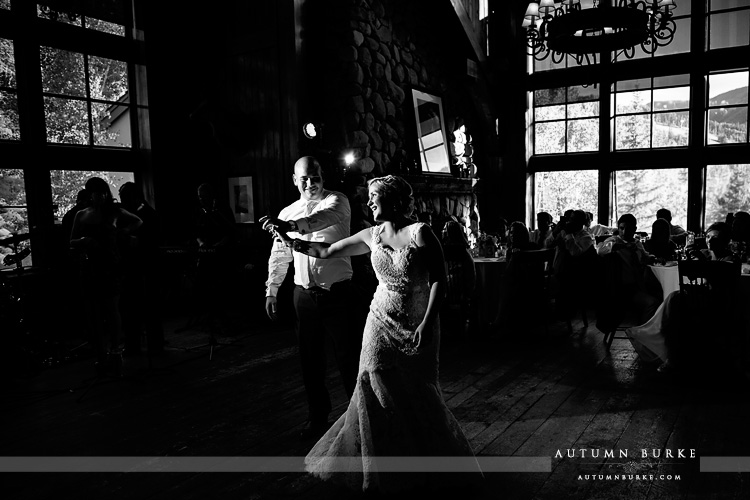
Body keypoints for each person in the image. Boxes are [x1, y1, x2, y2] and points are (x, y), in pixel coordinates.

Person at [273, 175, 481, 494]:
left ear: (394, 200)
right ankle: (379, 464)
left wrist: (426, 322)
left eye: (374, 196)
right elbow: (327, 250)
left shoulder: (421, 233)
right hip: (380, 319)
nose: (369, 202)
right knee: (371, 380)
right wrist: (290, 238)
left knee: (417, 388)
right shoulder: (372, 234)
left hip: (416, 318)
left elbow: (439, 278)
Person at [261, 156, 364, 441]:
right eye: (303, 178)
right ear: (295, 180)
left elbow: (320, 220)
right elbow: (279, 254)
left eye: (314, 176)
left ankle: (360, 419)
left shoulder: (337, 201)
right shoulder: (287, 211)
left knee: (348, 360)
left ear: (323, 176)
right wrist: (272, 289)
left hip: (339, 294)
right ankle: (317, 417)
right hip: (303, 296)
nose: (310, 183)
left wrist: (289, 226)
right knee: (310, 362)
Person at [70, 177, 142, 376]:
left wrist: (124, 232)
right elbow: (72, 241)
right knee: (94, 313)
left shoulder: (115, 212)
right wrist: (84, 241)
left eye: (102, 192)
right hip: (91, 266)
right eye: (95, 192)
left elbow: (138, 220)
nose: (99, 196)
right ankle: (101, 353)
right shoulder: (81, 215)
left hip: (111, 265)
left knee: (112, 309)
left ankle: (116, 350)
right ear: (90, 195)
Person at [118, 182, 164, 356]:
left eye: (124, 198)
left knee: (149, 308)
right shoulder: (130, 214)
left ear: (133, 197)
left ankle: (153, 344)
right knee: (131, 309)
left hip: (147, 266)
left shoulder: (148, 215)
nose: (122, 201)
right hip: (131, 267)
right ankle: (134, 345)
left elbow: (152, 241)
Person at [596, 213, 661, 331]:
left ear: (635, 229)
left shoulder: (637, 243)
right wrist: (618, 246)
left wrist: (654, 258)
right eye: (621, 228)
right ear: (618, 228)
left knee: (661, 296)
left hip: (638, 285)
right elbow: (600, 251)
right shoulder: (613, 241)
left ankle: (653, 333)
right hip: (622, 289)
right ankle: (642, 334)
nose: (624, 232)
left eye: (629, 229)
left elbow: (645, 257)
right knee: (652, 303)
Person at [441, 220, 476, 336]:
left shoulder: (442, 252)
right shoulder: (464, 253)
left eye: (445, 230)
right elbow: (471, 277)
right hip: (460, 294)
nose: (442, 232)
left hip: (445, 295)